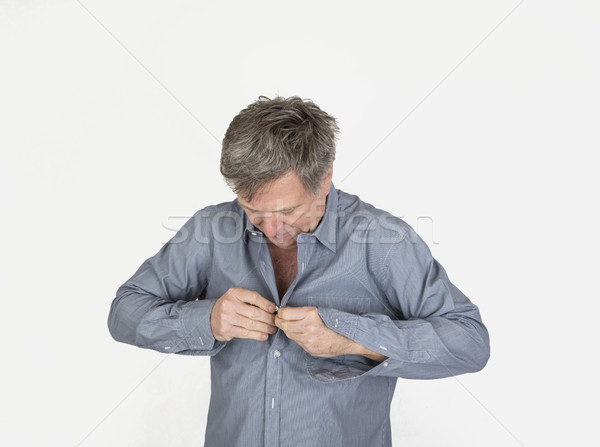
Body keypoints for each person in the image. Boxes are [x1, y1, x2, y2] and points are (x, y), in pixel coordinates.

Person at [108, 96, 490, 447]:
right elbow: (125, 312)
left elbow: (469, 342)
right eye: (253, 210)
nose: (272, 229)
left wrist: (350, 339)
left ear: (324, 178)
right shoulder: (209, 231)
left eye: (288, 211)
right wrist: (207, 320)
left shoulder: (383, 241)